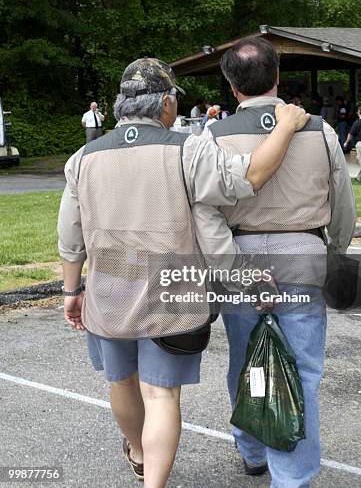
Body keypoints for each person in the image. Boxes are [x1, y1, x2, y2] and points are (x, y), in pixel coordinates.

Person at [58, 57, 309, 488]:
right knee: (161, 395)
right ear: (167, 103)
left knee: (121, 381)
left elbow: (70, 234)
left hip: (108, 291)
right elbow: (249, 176)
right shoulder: (187, 150)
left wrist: (70, 290)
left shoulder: (83, 158)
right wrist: (285, 126)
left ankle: (137, 451)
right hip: (172, 294)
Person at [193, 38, 356, 485]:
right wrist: (337, 252)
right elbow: (342, 203)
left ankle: (252, 446)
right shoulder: (319, 130)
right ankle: (292, 474)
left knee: (248, 362)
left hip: (240, 257)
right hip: (304, 255)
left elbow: (204, 211)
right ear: (278, 77)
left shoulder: (212, 136)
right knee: (303, 372)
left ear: (231, 86)